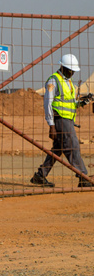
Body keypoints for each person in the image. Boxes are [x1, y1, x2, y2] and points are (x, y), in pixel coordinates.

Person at [30, 54, 94, 188]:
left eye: (73, 70)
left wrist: (82, 102)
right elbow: (48, 104)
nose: (72, 73)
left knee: (58, 149)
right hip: (60, 120)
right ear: (63, 67)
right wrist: (51, 125)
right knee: (72, 146)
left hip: (68, 120)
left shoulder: (68, 82)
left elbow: (69, 103)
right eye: (70, 70)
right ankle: (83, 176)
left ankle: (40, 175)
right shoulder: (54, 81)